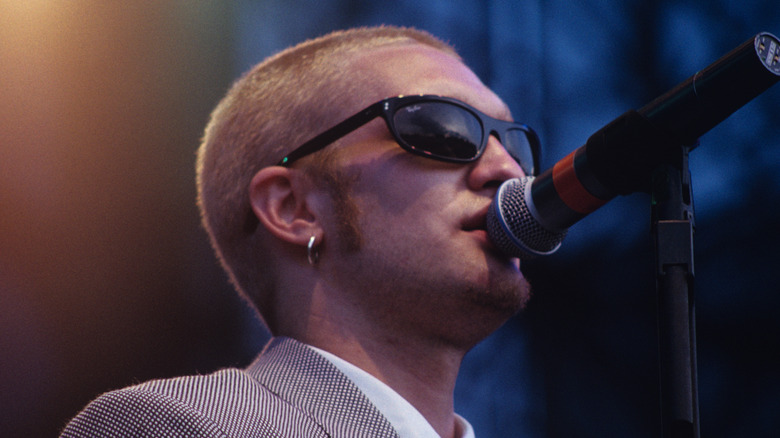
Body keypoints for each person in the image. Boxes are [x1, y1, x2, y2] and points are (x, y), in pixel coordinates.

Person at [60, 25, 539, 438]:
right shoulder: (177, 425)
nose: (506, 169)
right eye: (443, 128)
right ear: (293, 208)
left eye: (514, 143)